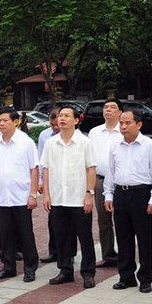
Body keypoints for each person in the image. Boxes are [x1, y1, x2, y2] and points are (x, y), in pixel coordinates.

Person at [104, 110, 152, 294]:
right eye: (121, 123)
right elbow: (111, 172)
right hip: (121, 194)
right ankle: (126, 277)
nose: (123, 126)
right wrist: (108, 195)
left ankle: (145, 278)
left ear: (138, 125)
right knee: (123, 238)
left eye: (128, 123)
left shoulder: (150, 146)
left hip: (141, 194)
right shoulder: (115, 146)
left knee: (144, 238)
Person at [42, 106, 97, 289]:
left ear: (76, 120)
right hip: (58, 198)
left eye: (66, 116)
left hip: (78, 197)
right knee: (61, 236)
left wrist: (89, 194)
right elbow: (46, 169)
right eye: (60, 116)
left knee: (85, 236)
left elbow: (91, 169)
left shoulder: (85, 142)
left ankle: (88, 272)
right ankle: (65, 270)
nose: (62, 119)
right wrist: (47, 194)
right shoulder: (51, 143)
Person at [0, 107, 39, 283]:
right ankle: (8, 266)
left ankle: (30, 267)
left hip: (21, 196)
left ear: (15, 122)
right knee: (6, 233)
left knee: (25, 233)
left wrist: (33, 194)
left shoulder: (26, 142)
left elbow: (34, 169)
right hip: (3, 196)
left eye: (5, 120)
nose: (1, 123)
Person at [88, 98, 123, 268]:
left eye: (112, 107)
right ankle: (108, 254)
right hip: (100, 180)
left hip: (121, 182)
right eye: (105, 107)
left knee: (123, 219)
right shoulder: (95, 132)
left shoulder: (124, 130)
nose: (108, 110)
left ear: (120, 112)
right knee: (104, 220)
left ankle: (125, 254)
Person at [37, 109, 60, 263]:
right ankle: (54, 251)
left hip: (67, 182)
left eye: (56, 124)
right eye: (52, 125)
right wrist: (40, 181)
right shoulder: (45, 136)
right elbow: (41, 160)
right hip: (50, 180)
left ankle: (68, 254)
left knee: (69, 220)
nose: (54, 128)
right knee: (53, 218)